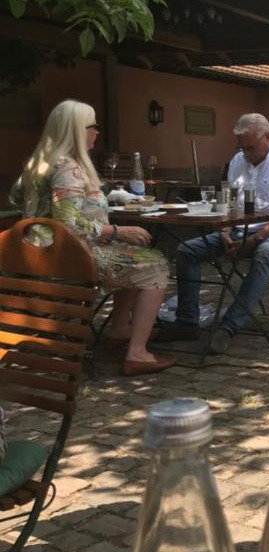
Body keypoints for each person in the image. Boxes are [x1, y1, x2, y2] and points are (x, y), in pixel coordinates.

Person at [13, 100, 174, 376]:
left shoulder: (42, 163)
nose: (97, 132)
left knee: (136, 259)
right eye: (93, 126)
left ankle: (121, 330)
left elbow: (34, 202)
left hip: (37, 255)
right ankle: (137, 353)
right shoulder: (69, 168)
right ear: (76, 130)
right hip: (69, 260)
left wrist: (107, 201)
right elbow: (68, 222)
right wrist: (116, 231)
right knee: (157, 265)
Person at [159, 113, 269, 354]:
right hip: (240, 230)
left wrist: (256, 238)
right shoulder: (237, 161)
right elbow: (228, 205)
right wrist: (225, 231)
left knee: (264, 252)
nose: (246, 153)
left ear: (268, 137)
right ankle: (186, 322)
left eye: (251, 147)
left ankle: (229, 326)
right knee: (187, 250)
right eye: (242, 148)